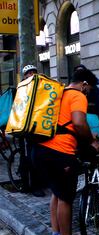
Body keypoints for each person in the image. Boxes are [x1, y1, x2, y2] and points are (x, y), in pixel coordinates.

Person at [31, 69, 99, 235]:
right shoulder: (77, 96)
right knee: (66, 198)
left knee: (57, 193)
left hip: (41, 150)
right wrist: (91, 141)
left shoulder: (58, 93)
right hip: (60, 152)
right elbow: (78, 123)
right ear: (84, 84)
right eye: (89, 89)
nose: (88, 93)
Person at [19, 65, 46, 197]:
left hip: (42, 127)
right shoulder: (22, 89)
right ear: (24, 76)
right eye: (28, 73)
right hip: (29, 130)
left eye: (34, 72)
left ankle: (42, 182)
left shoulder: (42, 87)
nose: (32, 75)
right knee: (32, 158)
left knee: (42, 157)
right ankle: (34, 185)